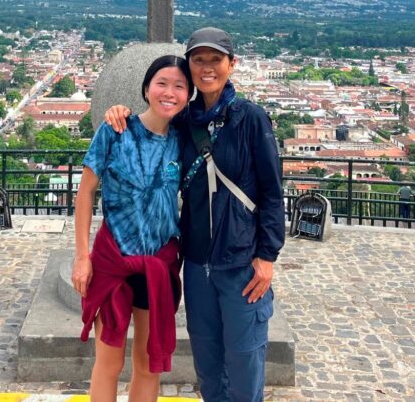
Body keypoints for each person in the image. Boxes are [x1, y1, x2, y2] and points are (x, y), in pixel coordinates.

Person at [105, 27, 285, 402]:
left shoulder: (250, 119)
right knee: (208, 364)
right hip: (198, 263)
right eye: (198, 60)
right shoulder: (185, 123)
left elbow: (271, 193)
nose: (206, 68)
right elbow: (149, 126)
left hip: (240, 263)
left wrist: (267, 257)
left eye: (215, 59)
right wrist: (120, 113)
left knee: (244, 361)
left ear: (231, 64)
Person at [73, 55, 190, 402]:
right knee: (108, 362)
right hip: (113, 259)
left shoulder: (183, 141)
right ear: (146, 88)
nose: (169, 93)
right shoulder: (116, 129)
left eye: (179, 86)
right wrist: (82, 256)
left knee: (147, 364)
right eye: (162, 84)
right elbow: (85, 193)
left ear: (188, 96)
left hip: (158, 264)